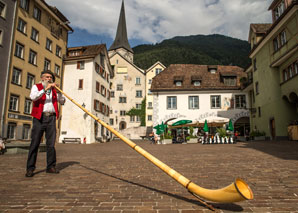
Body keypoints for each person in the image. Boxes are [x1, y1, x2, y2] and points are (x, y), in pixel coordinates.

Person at [25, 70, 65, 177]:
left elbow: (62, 101)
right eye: (46, 77)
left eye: (50, 77)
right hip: (39, 117)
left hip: (51, 117)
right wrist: (45, 89)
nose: (49, 79)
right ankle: (30, 168)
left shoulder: (54, 90)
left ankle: (51, 166)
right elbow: (33, 97)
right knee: (35, 143)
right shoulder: (36, 86)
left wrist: (59, 92)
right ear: (42, 78)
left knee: (51, 144)